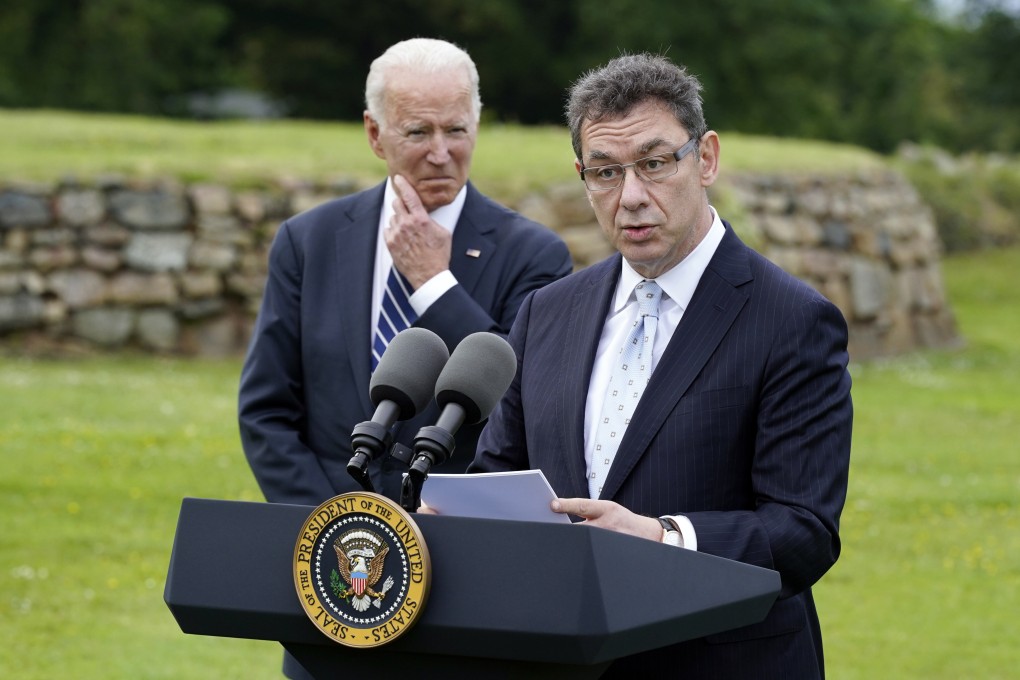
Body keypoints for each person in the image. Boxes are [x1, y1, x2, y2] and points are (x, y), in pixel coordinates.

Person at [471, 53, 852, 677]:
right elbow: (501, 471)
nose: (631, 197)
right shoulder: (546, 312)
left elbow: (802, 531)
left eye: (653, 164)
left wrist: (663, 537)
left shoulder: (792, 321)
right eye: (605, 172)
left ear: (705, 159)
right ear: (582, 176)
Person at [238, 37, 572, 507]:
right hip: (328, 536)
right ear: (375, 134)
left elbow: (523, 403)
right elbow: (267, 412)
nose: (440, 153)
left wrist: (434, 284)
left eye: (456, 130)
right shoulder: (308, 241)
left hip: (459, 533)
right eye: (418, 132)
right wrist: (323, 524)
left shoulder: (534, 255)